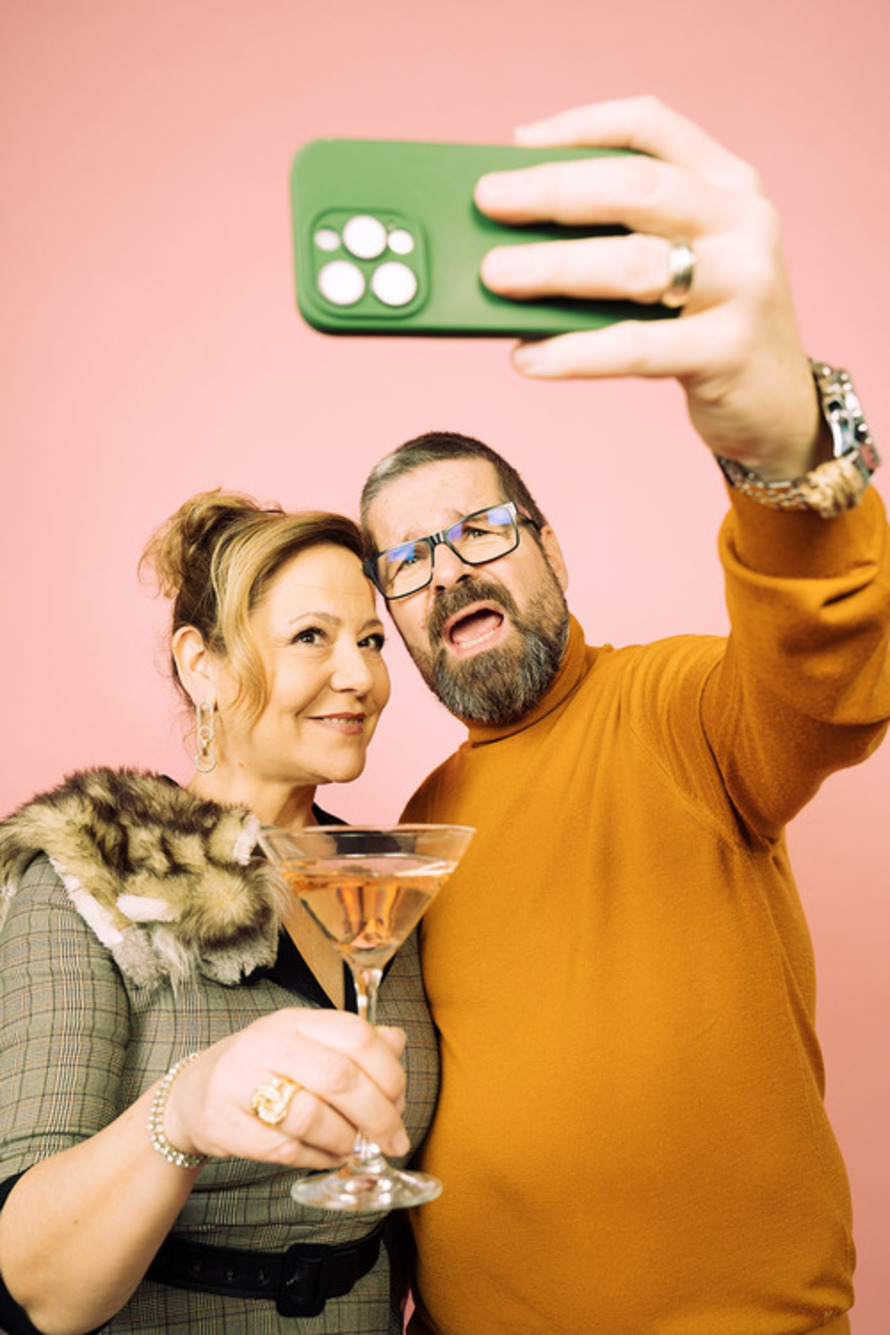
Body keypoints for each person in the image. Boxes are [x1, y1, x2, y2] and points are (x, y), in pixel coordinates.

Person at [359, 97, 890, 1334]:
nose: (448, 572)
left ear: (549, 550)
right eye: (408, 561)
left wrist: (785, 454)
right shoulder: (421, 821)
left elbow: (831, 677)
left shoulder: (679, 706)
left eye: (479, 530)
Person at [0, 491, 437, 1334]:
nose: (361, 676)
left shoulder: (381, 884)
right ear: (203, 664)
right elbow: (30, 1281)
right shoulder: (87, 878)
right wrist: (182, 1108)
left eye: (371, 639)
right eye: (311, 636)